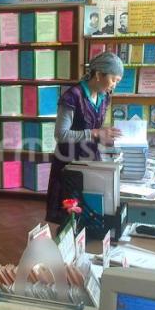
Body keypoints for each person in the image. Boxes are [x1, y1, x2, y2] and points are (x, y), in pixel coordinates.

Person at [45, 52, 124, 224]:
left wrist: (105, 137)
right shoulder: (72, 96)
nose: (114, 86)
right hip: (69, 164)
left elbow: (95, 129)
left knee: (90, 215)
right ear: (98, 75)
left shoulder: (104, 97)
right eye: (113, 80)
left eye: (118, 81)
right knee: (69, 218)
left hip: (91, 161)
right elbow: (61, 134)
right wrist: (95, 133)